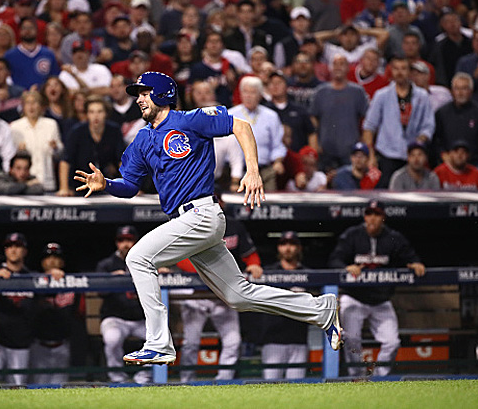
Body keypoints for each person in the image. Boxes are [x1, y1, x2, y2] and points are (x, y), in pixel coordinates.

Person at [74, 71, 343, 366]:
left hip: (201, 212)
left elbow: (240, 126)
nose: (138, 99)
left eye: (144, 92)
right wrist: (107, 184)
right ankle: (320, 310)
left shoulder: (189, 120)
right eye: (137, 94)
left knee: (138, 257)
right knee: (239, 295)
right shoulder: (142, 139)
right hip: (188, 221)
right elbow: (130, 186)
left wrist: (252, 170)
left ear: (162, 93)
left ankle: (158, 343)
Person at [329, 200, 426, 377]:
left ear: (383, 217)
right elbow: (335, 259)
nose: (372, 218)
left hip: (381, 300)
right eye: (369, 214)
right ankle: (357, 375)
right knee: (350, 339)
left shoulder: (393, 237)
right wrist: (346, 267)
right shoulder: (353, 235)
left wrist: (416, 263)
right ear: (365, 216)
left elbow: (410, 256)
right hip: (354, 297)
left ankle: (380, 376)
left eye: (377, 214)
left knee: (392, 341)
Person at [176, 190, 261, 383]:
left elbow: (250, 255)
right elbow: (181, 259)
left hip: (222, 295)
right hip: (197, 296)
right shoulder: (191, 223)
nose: (214, 204)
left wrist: (254, 264)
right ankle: (186, 381)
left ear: (221, 202)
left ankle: (224, 380)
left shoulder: (234, 225)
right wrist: (209, 270)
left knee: (233, 342)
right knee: (191, 343)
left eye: (217, 200)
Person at [362, 56, 435, 188]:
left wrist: (421, 139)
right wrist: (371, 156)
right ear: (391, 71)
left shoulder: (422, 96)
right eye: (396, 69)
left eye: (403, 68)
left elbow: (429, 124)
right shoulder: (381, 95)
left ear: (410, 72)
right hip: (387, 154)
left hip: (413, 155)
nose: (399, 72)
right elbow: (369, 126)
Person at [95, 226, 152, 384]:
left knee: (158, 339)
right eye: (121, 240)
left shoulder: (146, 261)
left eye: (129, 240)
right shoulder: (107, 265)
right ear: (116, 243)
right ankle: (117, 378)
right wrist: (111, 280)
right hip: (115, 318)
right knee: (112, 339)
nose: (125, 244)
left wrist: (162, 272)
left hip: (141, 319)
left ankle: (144, 377)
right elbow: (99, 291)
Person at [257, 232, 310, 380]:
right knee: (270, 388)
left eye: (292, 244)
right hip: (272, 341)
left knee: (297, 389)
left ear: (299, 248)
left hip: (299, 339)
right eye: (283, 244)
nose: (287, 248)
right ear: (278, 248)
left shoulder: (308, 274)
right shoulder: (267, 273)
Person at [31, 242, 86, 385]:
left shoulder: (72, 283)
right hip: (38, 346)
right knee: (38, 387)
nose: (52, 261)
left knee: (60, 387)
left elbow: (77, 317)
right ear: (42, 262)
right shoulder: (31, 281)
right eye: (48, 257)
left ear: (62, 262)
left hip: (62, 345)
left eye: (56, 257)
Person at [0, 232, 36, 385]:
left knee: (18, 387)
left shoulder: (32, 277)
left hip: (21, 343)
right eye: (9, 246)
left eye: (18, 246)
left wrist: (54, 273)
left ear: (25, 251)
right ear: (5, 251)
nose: (13, 250)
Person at [310, 54, 369, 172]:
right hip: (325, 151)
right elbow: (313, 118)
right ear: (330, 68)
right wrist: (315, 143)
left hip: (350, 151)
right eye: (335, 64)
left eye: (342, 64)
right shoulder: (320, 92)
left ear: (348, 68)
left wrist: (363, 141)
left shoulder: (357, 92)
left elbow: (368, 119)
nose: (338, 67)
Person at [228, 76, 286, 191]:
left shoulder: (271, 116)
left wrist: (278, 161)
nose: (248, 96)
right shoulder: (230, 115)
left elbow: (278, 145)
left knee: (267, 204)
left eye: (253, 92)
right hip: (236, 172)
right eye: (245, 92)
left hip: (264, 171)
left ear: (260, 95)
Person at [58, 96, 124, 196]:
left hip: (107, 185)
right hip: (78, 186)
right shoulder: (77, 131)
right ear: (87, 114)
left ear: (106, 113)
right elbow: (65, 161)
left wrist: (128, 186)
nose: (96, 116)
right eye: (92, 112)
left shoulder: (114, 131)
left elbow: (122, 161)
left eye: (99, 111)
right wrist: (64, 188)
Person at [10, 91, 63, 192]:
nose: (31, 107)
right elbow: (11, 158)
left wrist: (55, 148)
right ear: (23, 106)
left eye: (34, 102)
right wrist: (19, 152)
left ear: (41, 106)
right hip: (26, 182)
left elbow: (60, 155)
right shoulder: (15, 127)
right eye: (28, 103)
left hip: (46, 179)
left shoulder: (51, 125)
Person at [433, 72, 478, 168]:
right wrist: (442, 154)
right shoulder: (441, 113)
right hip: (447, 165)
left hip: (474, 165)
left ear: (471, 91)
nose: (460, 93)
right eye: (457, 89)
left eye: (464, 88)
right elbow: (436, 140)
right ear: (452, 91)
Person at [4, 17, 59, 90]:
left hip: (43, 97)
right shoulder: (9, 55)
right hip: (18, 97)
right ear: (19, 31)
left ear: (36, 30)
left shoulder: (48, 53)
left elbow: (55, 77)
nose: (28, 31)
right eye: (24, 28)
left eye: (31, 28)